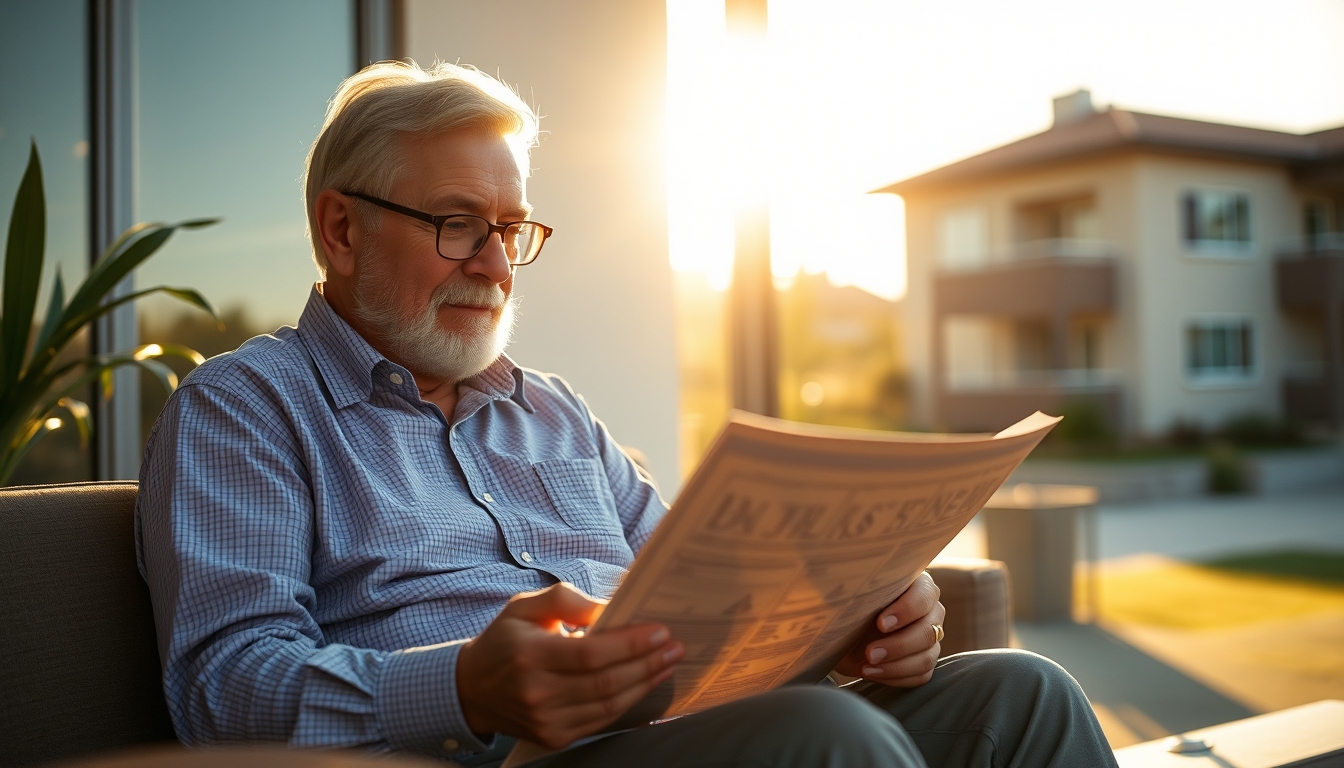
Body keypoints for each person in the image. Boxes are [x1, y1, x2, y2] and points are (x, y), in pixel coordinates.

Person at [136, 61, 1117, 768]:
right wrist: (466, 686)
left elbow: (708, 603)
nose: (494, 264)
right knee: (828, 738)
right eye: (458, 224)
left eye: (510, 229)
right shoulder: (245, 409)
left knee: (1026, 693)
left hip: (676, 735)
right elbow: (224, 689)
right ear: (341, 229)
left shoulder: (555, 413)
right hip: (490, 758)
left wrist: (850, 624)